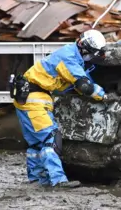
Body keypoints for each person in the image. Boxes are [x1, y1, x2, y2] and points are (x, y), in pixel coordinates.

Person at [11, 29, 108, 188]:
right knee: (51, 137)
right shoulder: (69, 58)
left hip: (27, 98)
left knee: (35, 143)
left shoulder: (70, 51)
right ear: (86, 49)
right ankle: (58, 180)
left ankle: (37, 180)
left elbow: (73, 81)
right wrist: (104, 96)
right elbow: (84, 85)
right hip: (34, 100)